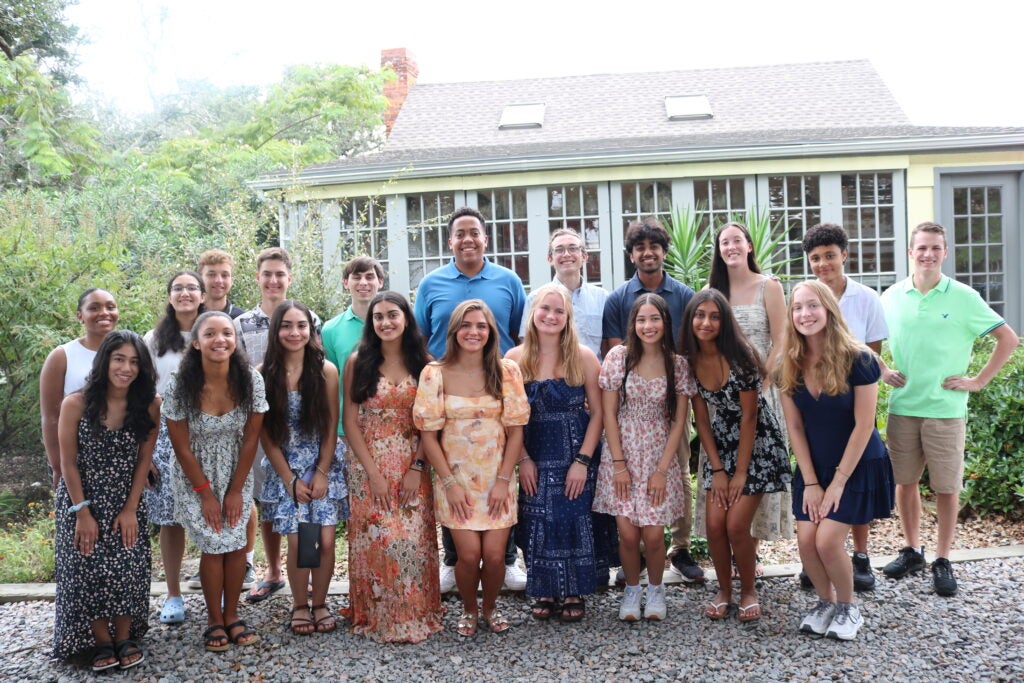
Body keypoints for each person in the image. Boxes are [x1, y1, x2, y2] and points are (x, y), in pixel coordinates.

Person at [880, 222, 1018, 596]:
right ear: (910, 252)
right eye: (921, 248)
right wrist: (882, 370)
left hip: (945, 409)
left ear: (945, 253)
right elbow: (863, 340)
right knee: (904, 483)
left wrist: (978, 381)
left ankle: (942, 558)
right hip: (903, 407)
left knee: (945, 488)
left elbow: (1007, 338)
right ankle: (912, 550)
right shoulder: (891, 296)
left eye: (935, 248)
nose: (928, 254)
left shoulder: (964, 297)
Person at [413, 206, 528, 592]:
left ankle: (508, 561)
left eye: (473, 232)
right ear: (450, 241)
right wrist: (446, 376)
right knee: (456, 474)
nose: (467, 239)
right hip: (449, 394)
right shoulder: (431, 284)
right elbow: (422, 338)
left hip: (495, 388)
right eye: (459, 233)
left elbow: (515, 335)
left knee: (497, 478)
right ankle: (453, 560)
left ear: (485, 239)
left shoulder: (508, 281)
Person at [775, 281, 895, 640]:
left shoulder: (859, 359)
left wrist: (838, 482)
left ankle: (848, 607)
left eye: (812, 306)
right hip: (814, 465)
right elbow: (794, 426)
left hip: (856, 463)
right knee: (806, 540)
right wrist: (811, 482)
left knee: (827, 541)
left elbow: (864, 425)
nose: (805, 314)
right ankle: (824, 602)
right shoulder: (788, 363)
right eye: (797, 308)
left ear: (828, 309)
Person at [413, 300, 530, 636]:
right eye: (466, 325)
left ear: (491, 331)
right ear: (454, 331)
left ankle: (490, 607)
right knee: (467, 556)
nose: (473, 332)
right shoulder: (435, 373)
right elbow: (429, 436)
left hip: (499, 478)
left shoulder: (506, 371)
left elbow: (516, 430)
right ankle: (467, 608)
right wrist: (449, 483)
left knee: (495, 557)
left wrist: (504, 480)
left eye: (481, 325)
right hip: (457, 481)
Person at [601, 217, 702, 583]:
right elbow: (617, 351)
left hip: (672, 400)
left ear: (664, 251)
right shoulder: (618, 299)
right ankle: (636, 560)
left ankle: (681, 546)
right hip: (631, 407)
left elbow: (693, 348)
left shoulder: (685, 296)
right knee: (629, 492)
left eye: (654, 247)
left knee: (677, 470)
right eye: (640, 247)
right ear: (631, 255)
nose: (647, 253)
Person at [680, 289, 789, 623]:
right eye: (700, 315)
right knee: (714, 526)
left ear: (724, 321)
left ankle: (748, 591)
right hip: (721, 445)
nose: (706, 322)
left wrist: (739, 473)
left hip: (756, 445)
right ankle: (724, 590)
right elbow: (702, 419)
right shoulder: (689, 360)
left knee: (737, 525)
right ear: (691, 319)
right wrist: (718, 469)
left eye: (714, 316)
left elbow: (750, 418)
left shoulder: (740, 356)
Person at [53, 331, 160, 671]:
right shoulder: (76, 403)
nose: (126, 367)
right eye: (119, 359)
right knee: (88, 566)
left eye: (134, 361)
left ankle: (125, 636)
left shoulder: (149, 404)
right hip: (80, 499)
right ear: (105, 361)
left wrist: (130, 508)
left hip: (126, 496)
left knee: (129, 564)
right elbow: (67, 462)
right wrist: (82, 512)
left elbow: (145, 460)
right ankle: (102, 641)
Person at [164, 311, 268, 651]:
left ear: (235, 340)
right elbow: (180, 445)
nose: (219, 339)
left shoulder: (250, 380)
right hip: (195, 472)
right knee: (213, 543)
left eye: (227, 333)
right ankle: (213, 620)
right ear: (196, 342)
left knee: (236, 541)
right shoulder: (180, 383)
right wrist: (205, 494)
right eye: (210, 334)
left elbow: (251, 439)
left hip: (236, 467)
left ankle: (232, 614)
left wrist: (237, 489)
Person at [343, 291, 444, 643]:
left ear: (406, 319)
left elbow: (431, 424)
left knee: (412, 540)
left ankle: (417, 611)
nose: (385, 322)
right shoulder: (358, 361)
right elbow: (350, 420)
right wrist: (372, 472)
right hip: (367, 462)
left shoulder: (426, 364)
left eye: (392, 315)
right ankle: (378, 614)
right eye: (378, 317)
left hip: (413, 460)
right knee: (380, 540)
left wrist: (417, 466)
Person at [506, 283, 605, 622]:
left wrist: (583, 461)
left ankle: (575, 589)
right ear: (532, 313)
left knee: (574, 519)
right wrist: (522, 459)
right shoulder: (514, 359)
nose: (550, 316)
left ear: (568, 318)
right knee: (537, 520)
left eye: (558, 311)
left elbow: (600, 414)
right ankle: (546, 588)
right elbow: (509, 418)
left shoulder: (584, 356)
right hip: (534, 455)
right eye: (544, 309)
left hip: (575, 455)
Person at [593, 294, 695, 621]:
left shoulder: (677, 364)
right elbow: (608, 413)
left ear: (665, 322)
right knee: (627, 533)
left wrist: (663, 470)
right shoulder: (618, 358)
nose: (648, 326)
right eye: (641, 320)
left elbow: (679, 420)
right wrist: (619, 465)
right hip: (621, 451)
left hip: (657, 453)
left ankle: (656, 588)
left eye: (654, 319)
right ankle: (631, 589)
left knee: (652, 534)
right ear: (633, 324)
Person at [802, 222, 889, 591]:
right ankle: (824, 559)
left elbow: (873, 354)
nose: (823, 264)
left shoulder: (866, 298)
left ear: (844, 256)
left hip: (852, 400)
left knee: (852, 475)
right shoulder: (806, 301)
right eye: (816, 258)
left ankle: (861, 553)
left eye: (830, 256)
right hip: (818, 406)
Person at [704, 221, 792, 577]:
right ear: (719, 250)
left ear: (749, 246)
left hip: (762, 395)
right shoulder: (712, 291)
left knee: (754, 480)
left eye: (737, 240)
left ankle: (749, 558)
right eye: (725, 242)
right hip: (721, 403)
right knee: (729, 480)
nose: (731, 247)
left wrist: (762, 380)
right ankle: (737, 561)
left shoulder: (768, 286)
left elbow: (783, 338)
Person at [235, 247, 321, 603]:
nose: (273, 280)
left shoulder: (308, 318)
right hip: (263, 424)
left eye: (279, 274)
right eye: (267, 274)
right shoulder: (241, 324)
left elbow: (318, 368)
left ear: (289, 277)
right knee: (269, 498)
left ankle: (311, 577)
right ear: (258, 278)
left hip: (304, 425)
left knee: (310, 514)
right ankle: (273, 570)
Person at [259, 301, 348, 636]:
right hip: (286, 470)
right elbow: (265, 435)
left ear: (311, 331)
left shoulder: (325, 371)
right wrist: (289, 479)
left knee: (325, 541)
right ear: (276, 330)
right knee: (300, 543)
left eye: (301, 326)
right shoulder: (262, 374)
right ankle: (299, 604)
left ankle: (321, 602)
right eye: (286, 325)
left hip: (322, 465)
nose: (294, 332)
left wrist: (322, 472)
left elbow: (330, 426)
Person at [144, 271, 207, 625]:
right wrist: (149, 448)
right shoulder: (154, 340)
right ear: (170, 297)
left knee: (211, 511)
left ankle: (219, 585)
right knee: (171, 518)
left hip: (210, 432)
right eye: (177, 288)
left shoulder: (214, 328)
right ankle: (173, 594)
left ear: (203, 295)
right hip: (166, 433)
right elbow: (144, 395)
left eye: (191, 288)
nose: (184, 293)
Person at [40, 288, 120, 489]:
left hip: (122, 458)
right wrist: (57, 465)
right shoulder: (62, 356)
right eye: (94, 308)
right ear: (80, 316)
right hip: (76, 461)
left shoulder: (128, 354)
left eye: (110, 307)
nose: (104, 312)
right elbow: (50, 416)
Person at [322, 255, 384, 446]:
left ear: (380, 282)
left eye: (369, 276)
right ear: (346, 282)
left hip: (388, 424)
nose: (363, 282)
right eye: (356, 277)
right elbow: (332, 381)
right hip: (346, 428)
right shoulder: (330, 330)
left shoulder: (395, 325)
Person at [519, 229, 608, 358]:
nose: (566, 254)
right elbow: (526, 343)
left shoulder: (602, 298)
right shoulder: (535, 299)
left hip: (592, 375)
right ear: (550, 259)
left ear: (584, 256)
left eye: (573, 248)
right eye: (559, 250)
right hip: (551, 375)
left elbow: (608, 345)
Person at [198, 249, 245, 318]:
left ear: (231, 281)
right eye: (212, 275)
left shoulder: (241, 319)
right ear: (200, 279)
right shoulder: (190, 315)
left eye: (224, 275)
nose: (219, 280)